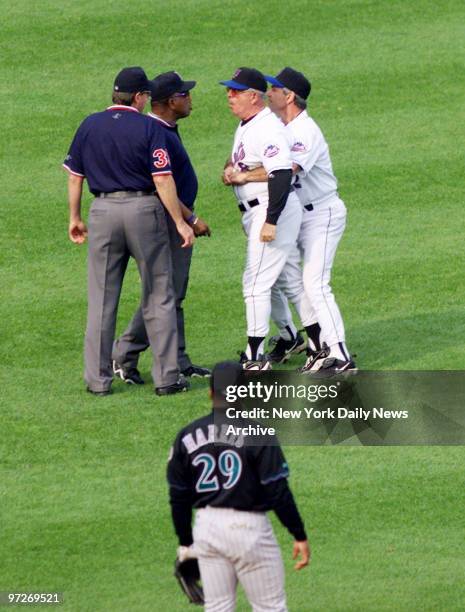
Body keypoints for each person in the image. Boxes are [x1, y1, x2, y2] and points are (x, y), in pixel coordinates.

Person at [63, 66, 194, 396]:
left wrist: (75, 217)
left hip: (102, 211)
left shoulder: (89, 124)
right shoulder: (148, 127)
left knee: (102, 300)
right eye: (146, 95)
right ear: (138, 97)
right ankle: (166, 378)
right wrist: (181, 222)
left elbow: (75, 175)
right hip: (143, 211)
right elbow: (162, 178)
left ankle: (97, 381)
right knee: (160, 294)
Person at [230, 67, 356, 374]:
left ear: (289, 97)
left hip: (321, 214)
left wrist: (244, 175)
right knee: (279, 278)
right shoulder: (279, 126)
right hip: (299, 212)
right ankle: (306, 342)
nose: (267, 92)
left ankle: (340, 356)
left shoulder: (305, 131)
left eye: (274, 88)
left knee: (315, 283)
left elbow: (285, 171)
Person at [167, 360, 310, 611]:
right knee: (270, 607)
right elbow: (277, 491)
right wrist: (298, 533)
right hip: (249, 529)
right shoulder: (259, 434)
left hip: (207, 529)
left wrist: (186, 543)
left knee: (218, 607)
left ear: (210, 393)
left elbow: (178, 496)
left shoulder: (186, 436)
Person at [112, 71, 212, 384]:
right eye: (186, 95)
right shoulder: (156, 133)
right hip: (168, 222)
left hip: (171, 220)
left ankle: (178, 360)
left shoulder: (164, 128)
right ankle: (124, 353)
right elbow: (160, 184)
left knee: (172, 293)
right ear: (171, 101)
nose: (190, 99)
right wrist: (189, 219)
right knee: (164, 294)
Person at [220, 67, 303, 371]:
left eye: (235, 91)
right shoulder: (247, 123)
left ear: (253, 96)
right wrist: (231, 170)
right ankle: (293, 336)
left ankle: (256, 357)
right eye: (228, 90)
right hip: (256, 211)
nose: (229, 96)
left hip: (271, 209)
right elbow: (244, 159)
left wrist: (271, 220)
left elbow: (280, 174)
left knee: (254, 284)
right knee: (273, 281)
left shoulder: (268, 128)